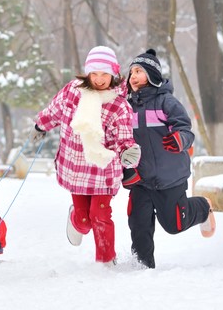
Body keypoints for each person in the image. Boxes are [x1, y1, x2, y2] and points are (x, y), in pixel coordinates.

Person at [30, 46, 141, 265]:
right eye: (95, 73)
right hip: (76, 168)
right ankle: (76, 218)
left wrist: (128, 149)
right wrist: (40, 125)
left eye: (105, 74)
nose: (99, 79)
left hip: (103, 171)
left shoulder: (119, 105)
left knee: (100, 216)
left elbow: (123, 135)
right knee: (84, 221)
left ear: (114, 74)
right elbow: (54, 110)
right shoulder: (73, 91)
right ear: (88, 73)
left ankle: (106, 261)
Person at [125, 48, 216, 269]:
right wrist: (126, 169)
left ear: (152, 75)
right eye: (131, 72)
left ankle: (203, 207)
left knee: (175, 224)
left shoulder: (166, 101)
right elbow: (120, 140)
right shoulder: (125, 107)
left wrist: (179, 139)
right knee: (138, 224)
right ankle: (142, 265)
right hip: (141, 179)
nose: (133, 76)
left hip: (169, 176)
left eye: (139, 71)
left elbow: (185, 128)